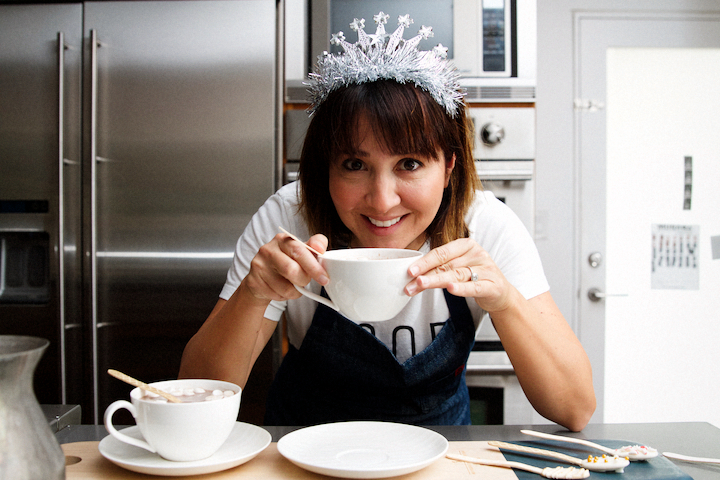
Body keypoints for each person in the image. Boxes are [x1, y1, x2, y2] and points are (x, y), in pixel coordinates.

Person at [179, 12, 595, 431]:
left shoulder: (487, 226)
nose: (382, 201)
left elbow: (575, 408)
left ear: (449, 168)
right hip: (305, 453)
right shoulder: (289, 218)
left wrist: (504, 299)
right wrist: (253, 293)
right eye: (355, 164)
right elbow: (194, 395)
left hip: (442, 454)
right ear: (327, 167)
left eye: (409, 164)